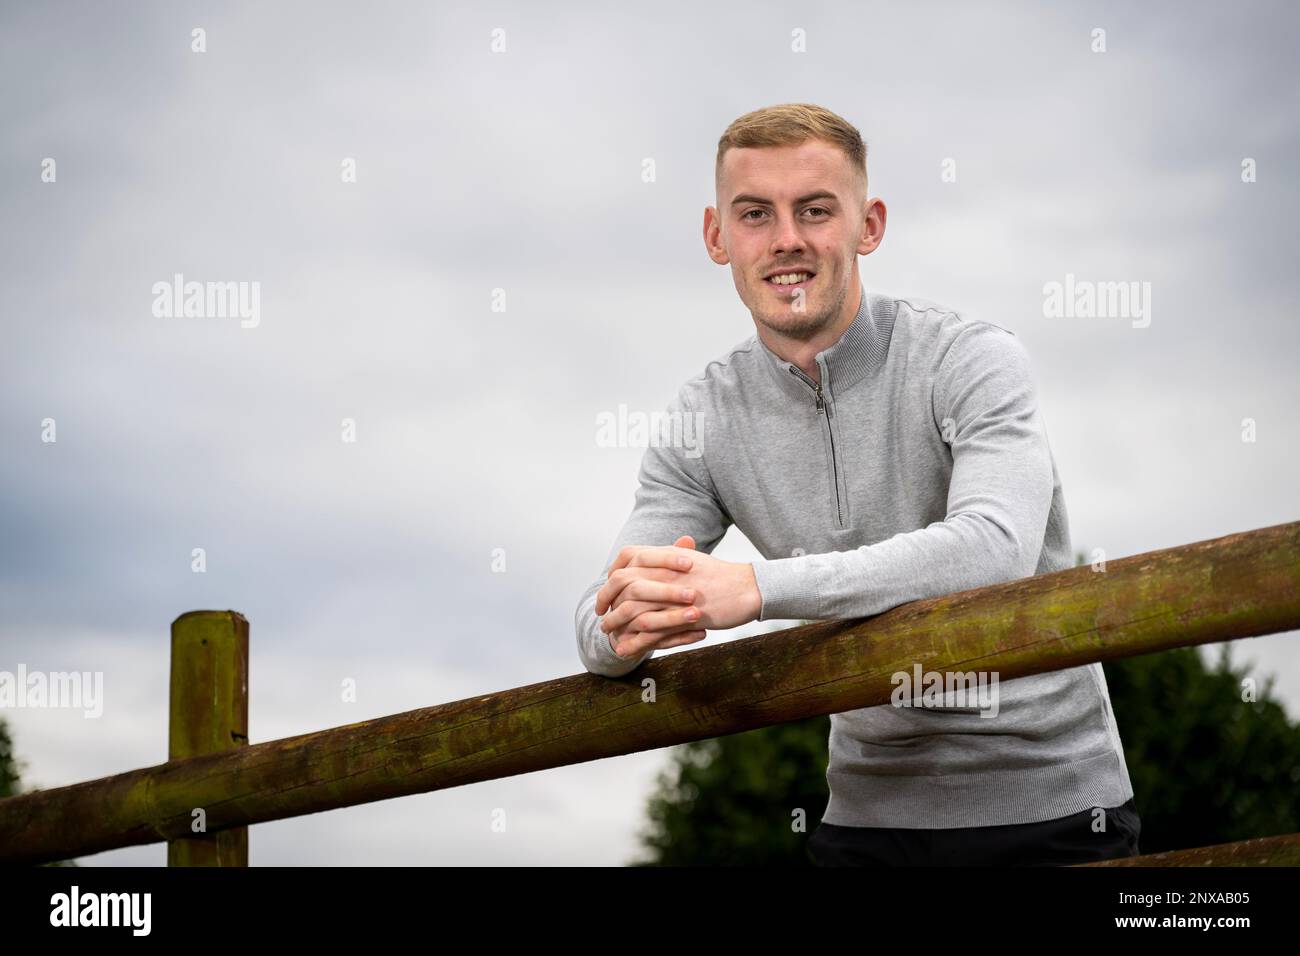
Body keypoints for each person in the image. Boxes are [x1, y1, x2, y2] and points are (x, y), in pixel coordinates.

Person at [573, 103, 1139, 866]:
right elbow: (604, 607)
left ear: (868, 226)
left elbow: (993, 548)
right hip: (866, 823)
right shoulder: (703, 415)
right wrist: (620, 630)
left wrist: (756, 587)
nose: (786, 241)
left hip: (1053, 807)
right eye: (754, 214)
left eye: (815, 210)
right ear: (717, 236)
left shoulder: (973, 358)